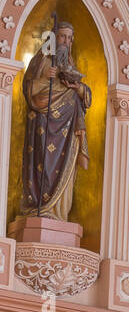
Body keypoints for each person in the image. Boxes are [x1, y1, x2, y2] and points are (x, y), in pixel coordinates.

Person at [20, 19, 92, 222]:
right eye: (62, 36)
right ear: (53, 37)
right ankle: (40, 207)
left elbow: (85, 96)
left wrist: (77, 88)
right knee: (44, 164)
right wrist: (46, 78)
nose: (66, 42)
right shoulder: (41, 59)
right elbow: (29, 90)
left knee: (64, 166)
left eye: (69, 38)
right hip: (43, 124)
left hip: (67, 132)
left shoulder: (70, 64)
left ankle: (59, 212)